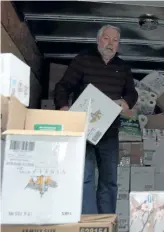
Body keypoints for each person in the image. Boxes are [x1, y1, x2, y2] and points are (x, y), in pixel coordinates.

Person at [54, 24, 138, 214]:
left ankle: (106, 222)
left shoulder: (123, 67)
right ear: (98, 40)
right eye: (107, 38)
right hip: (84, 130)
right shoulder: (83, 60)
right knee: (85, 176)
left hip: (109, 132)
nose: (111, 44)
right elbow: (63, 86)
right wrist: (64, 108)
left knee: (109, 180)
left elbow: (132, 93)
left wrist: (127, 102)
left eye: (115, 40)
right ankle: (87, 222)